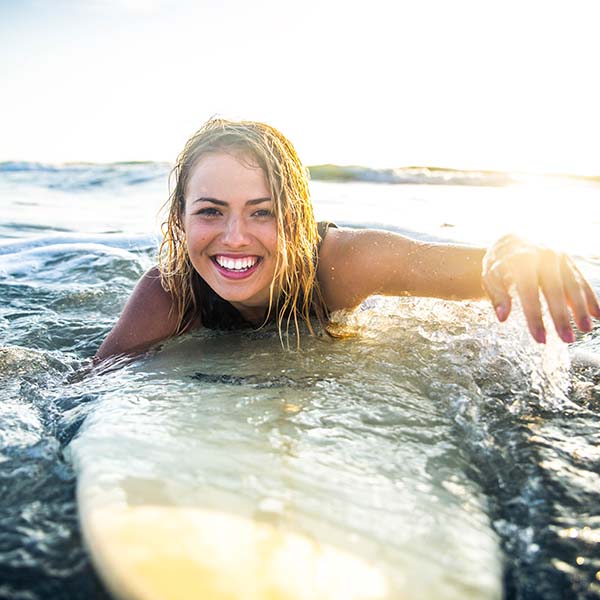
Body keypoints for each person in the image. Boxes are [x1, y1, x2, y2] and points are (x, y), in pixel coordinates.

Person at [95, 118, 600, 361]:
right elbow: (89, 387)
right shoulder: (170, 293)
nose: (235, 237)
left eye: (263, 212)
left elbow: (489, 270)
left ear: (296, 218)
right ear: (178, 220)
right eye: (210, 211)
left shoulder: (344, 263)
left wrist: (521, 255)